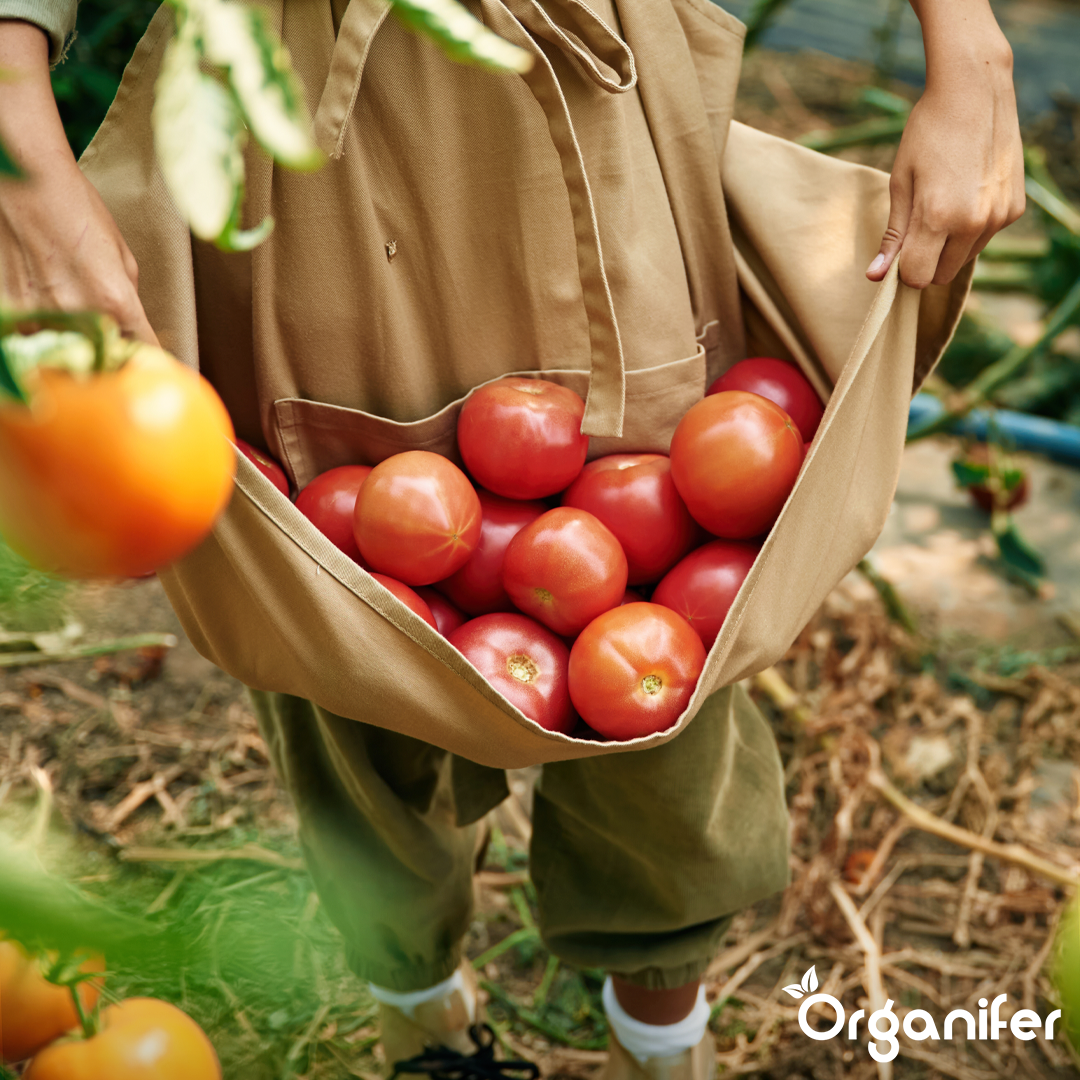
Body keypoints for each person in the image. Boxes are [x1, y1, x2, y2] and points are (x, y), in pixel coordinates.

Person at [0, 2, 1023, 1078]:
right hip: (311, 152)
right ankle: (423, 1023)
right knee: (345, 653)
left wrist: (972, 52)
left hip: (593, 110)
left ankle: (663, 1044)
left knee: (672, 666)